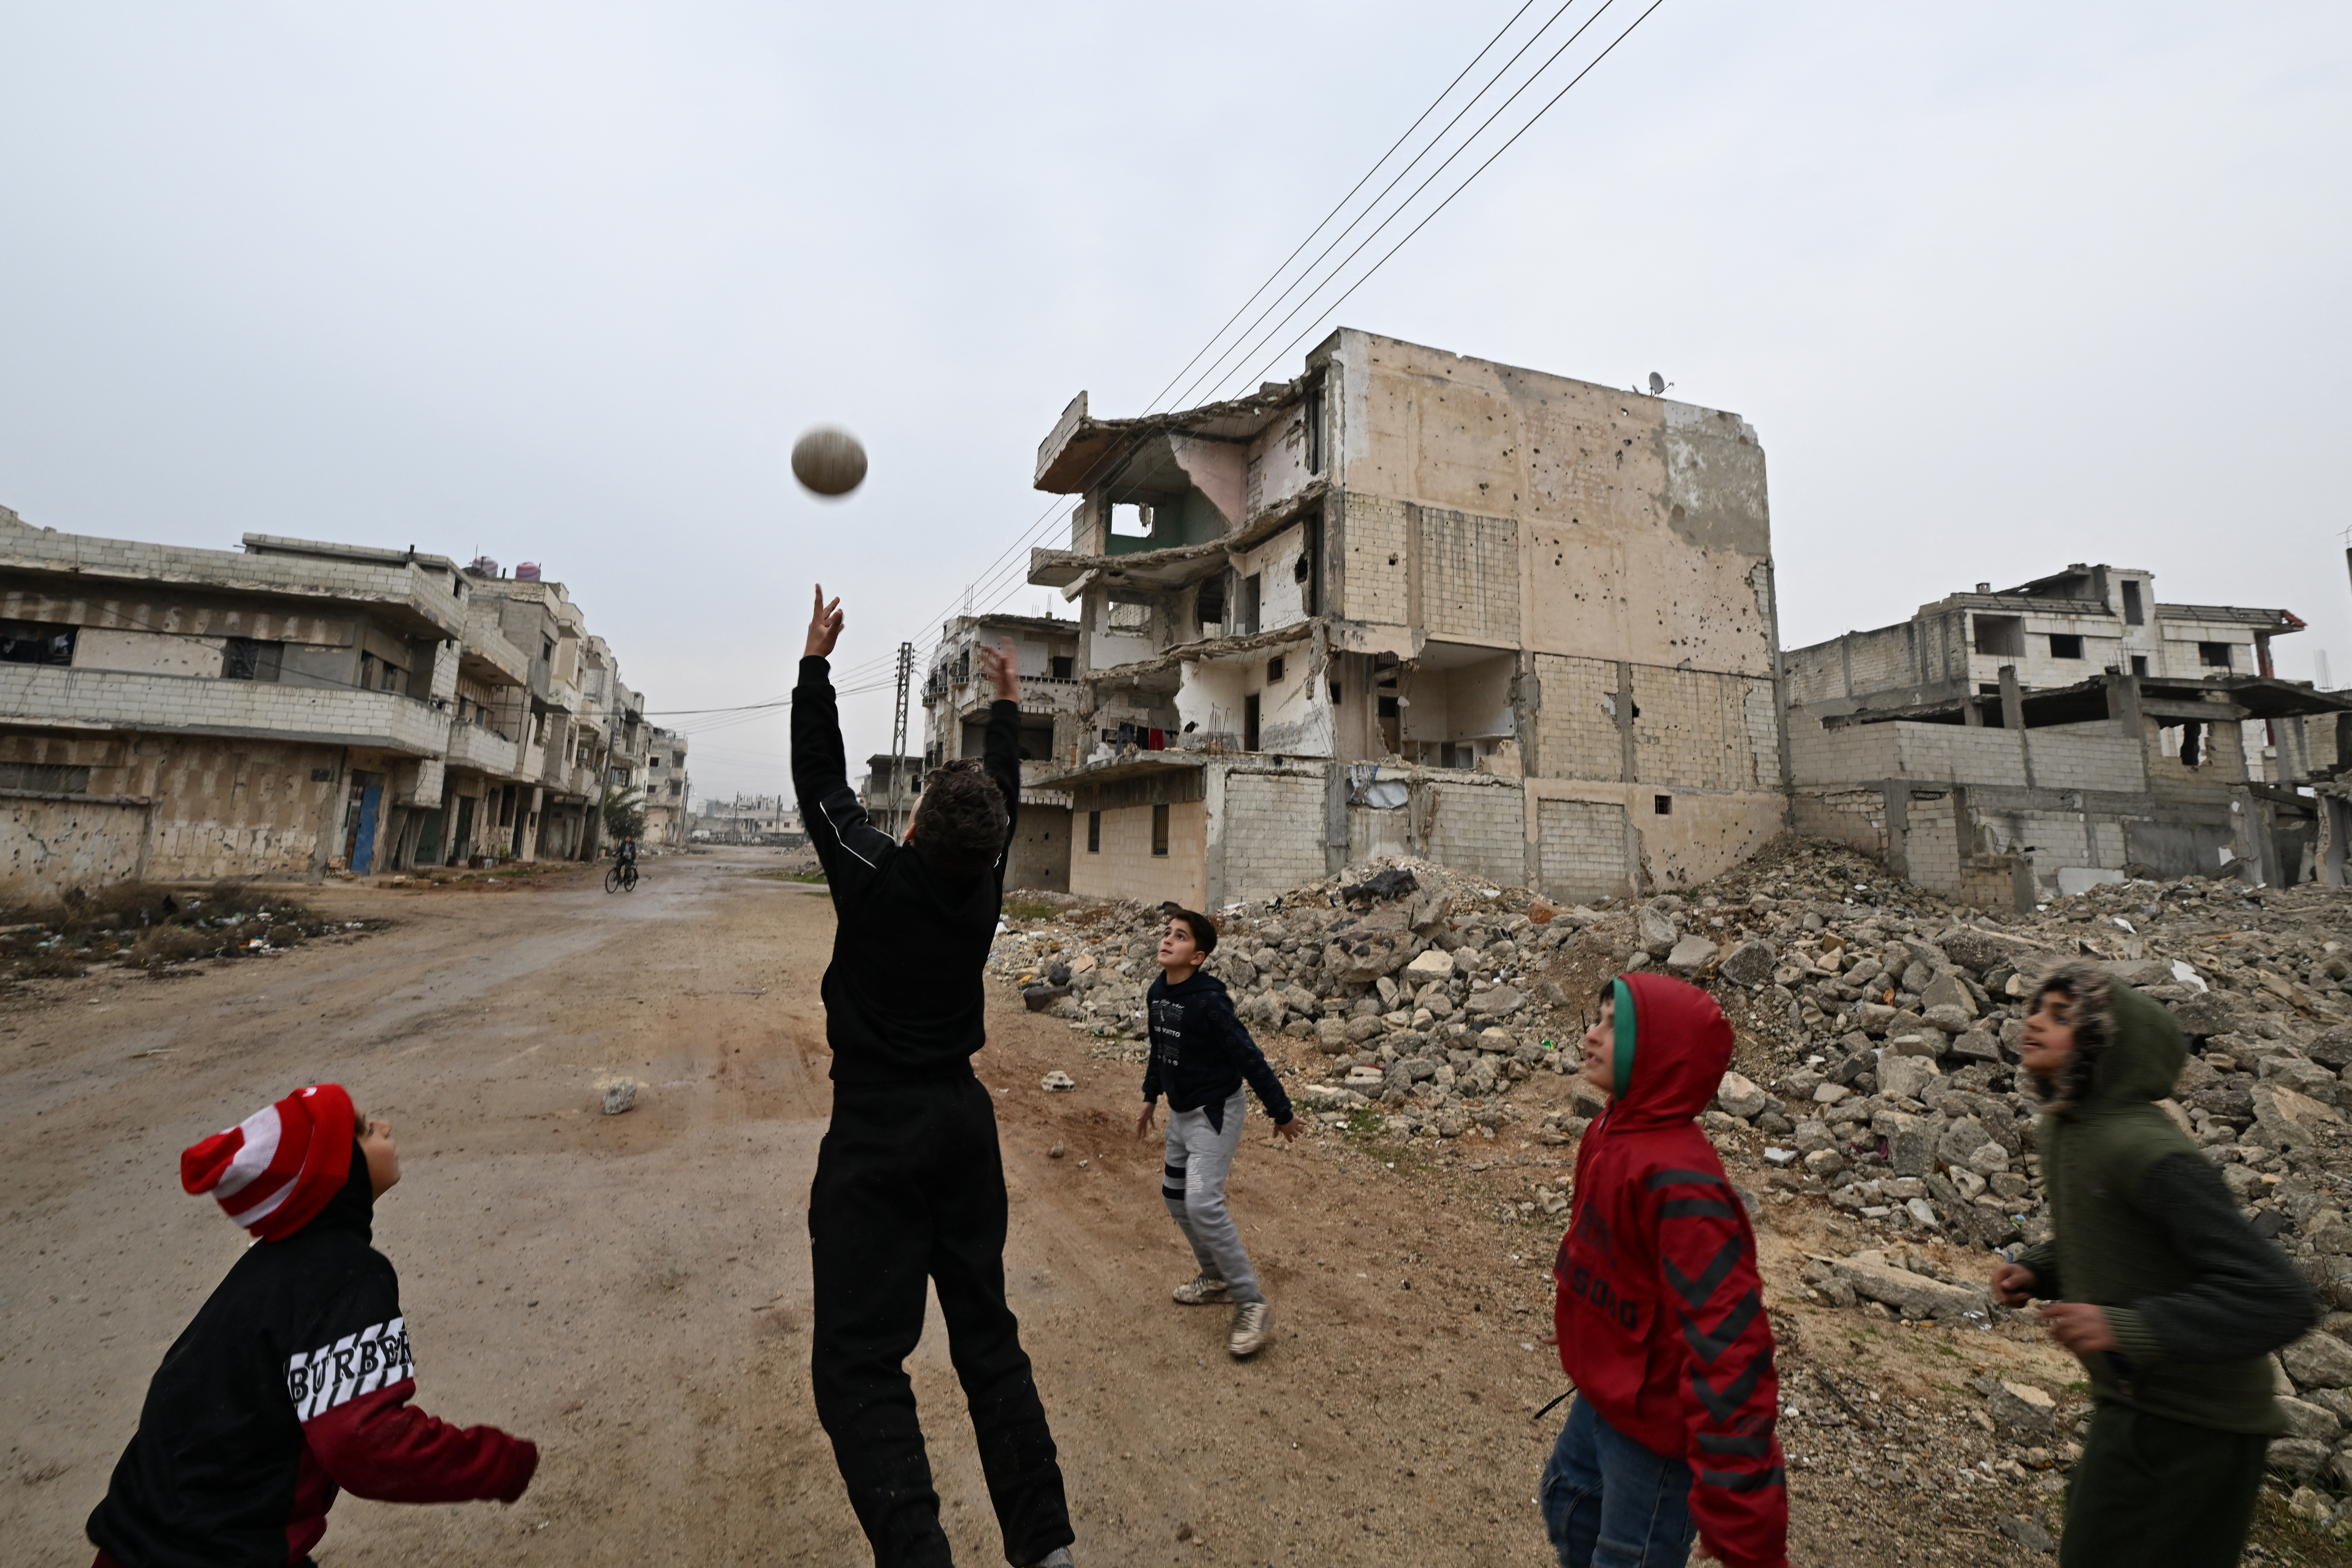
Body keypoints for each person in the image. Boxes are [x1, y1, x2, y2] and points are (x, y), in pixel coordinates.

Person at [791, 586, 1074, 1568]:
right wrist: (1004, 708)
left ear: (914, 825)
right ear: (991, 849)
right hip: (962, 1126)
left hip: (875, 1133)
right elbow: (1001, 787)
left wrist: (817, 665)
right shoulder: (986, 889)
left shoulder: (873, 876)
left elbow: (819, 780)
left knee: (859, 1368)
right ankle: (1047, 1549)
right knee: (988, 1343)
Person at [87, 1083, 538, 1567]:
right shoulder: (345, 1277)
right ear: (336, 1176)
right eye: (365, 1131)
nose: (385, 1127)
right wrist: (497, 1461)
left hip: (138, 1547)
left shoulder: (268, 1274)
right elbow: (362, 1441)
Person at [1991, 960, 2316, 1568]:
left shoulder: (2148, 1150)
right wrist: (2040, 1268)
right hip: (2136, 1399)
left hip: (2201, 1424)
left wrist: (2126, 1328)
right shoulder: (2069, 1130)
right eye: (2038, 1008)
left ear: (2101, 1047)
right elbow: (2121, 1237)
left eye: (2062, 1017)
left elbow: (2279, 1297)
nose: (2033, 1020)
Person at [1543, 974, 1787, 1568]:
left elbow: (1730, 1350)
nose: (1591, 1036)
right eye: (1595, 1018)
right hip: (1607, 1393)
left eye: (1613, 1025)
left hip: (1656, 1431)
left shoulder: (1684, 1186)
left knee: (1630, 1554)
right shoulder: (1611, 1128)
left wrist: (1740, 1522)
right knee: (1567, 1504)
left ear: (1660, 1052)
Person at [1131, 908, 1300, 1359]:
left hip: (1214, 1113)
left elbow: (1249, 1057)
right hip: (1180, 1114)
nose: (1168, 941)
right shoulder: (1158, 993)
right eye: (1167, 933)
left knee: (1202, 1202)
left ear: (1199, 956)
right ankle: (1217, 1276)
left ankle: (1252, 1304)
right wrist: (1151, 1096)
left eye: (1180, 937)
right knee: (1174, 1198)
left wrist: (1281, 1112)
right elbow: (1160, 1049)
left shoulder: (1210, 1002)